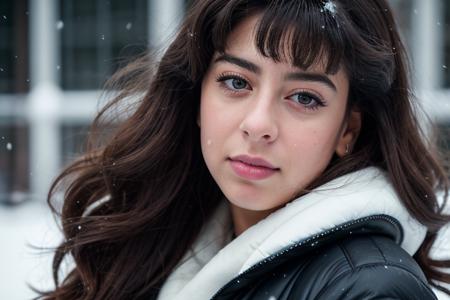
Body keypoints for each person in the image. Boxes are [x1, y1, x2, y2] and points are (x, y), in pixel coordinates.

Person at [38, 0, 450, 299]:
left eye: (304, 97)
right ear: (196, 97)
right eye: (236, 82)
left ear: (348, 130)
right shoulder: (160, 248)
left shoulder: (370, 290)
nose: (258, 125)